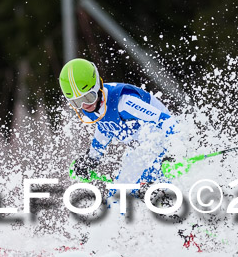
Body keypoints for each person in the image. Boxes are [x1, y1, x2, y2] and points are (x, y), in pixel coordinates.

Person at [59, 58, 177, 188]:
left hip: (161, 145)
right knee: (116, 196)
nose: (85, 105)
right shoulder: (93, 105)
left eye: (88, 97)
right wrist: (91, 159)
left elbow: (167, 121)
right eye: (76, 102)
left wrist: (176, 152)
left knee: (136, 191)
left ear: (97, 86)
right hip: (139, 150)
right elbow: (105, 127)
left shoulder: (124, 103)